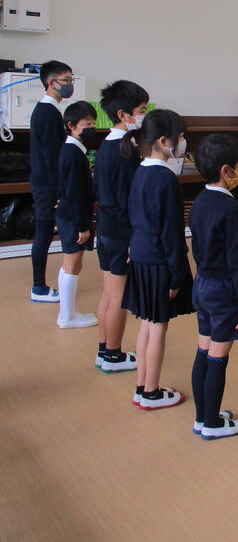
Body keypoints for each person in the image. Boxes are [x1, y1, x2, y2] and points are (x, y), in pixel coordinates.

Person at [122, 109, 193, 410]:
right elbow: (171, 233)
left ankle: (142, 387)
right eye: (181, 137)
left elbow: (133, 216)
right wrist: (177, 275)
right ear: (164, 141)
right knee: (158, 327)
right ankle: (151, 392)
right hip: (159, 262)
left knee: (147, 324)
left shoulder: (141, 171)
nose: (183, 142)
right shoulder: (166, 178)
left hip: (140, 256)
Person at [189, 134, 238, 440]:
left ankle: (202, 417)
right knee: (218, 355)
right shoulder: (231, 209)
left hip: (202, 284)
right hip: (224, 290)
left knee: (204, 349)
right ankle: (212, 424)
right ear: (226, 171)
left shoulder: (199, 201)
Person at [94, 80, 149, 373]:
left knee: (109, 293)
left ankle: (104, 350)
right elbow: (129, 199)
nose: (143, 116)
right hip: (120, 231)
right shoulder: (124, 152)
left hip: (106, 227)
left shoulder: (107, 144)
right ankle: (113, 356)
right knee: (118, 296)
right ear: (122, 114)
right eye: (141, 110)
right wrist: (133, 238)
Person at [29, 60, 73, 303]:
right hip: (47, 184)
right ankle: (38, 287)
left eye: (71, 80)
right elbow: (51, 157)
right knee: (43, 234)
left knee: (45, 234)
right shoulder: (47, 112)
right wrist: (59, 190)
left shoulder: (50, 109)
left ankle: (41, 286)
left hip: (45, 182)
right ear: (51, 83)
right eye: (66, 80)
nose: (69, 84)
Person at [55, 101, 98, 329]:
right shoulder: (72, 153)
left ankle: (66, 312)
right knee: (73, 263)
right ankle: (67, 316)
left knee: (69, 263)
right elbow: (74, 193)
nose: (91, 128)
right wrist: (82, 226)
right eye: (87, 124)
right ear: (71, 126)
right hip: (73, 218)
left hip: (68, 214)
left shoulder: (73, 149)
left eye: (93, 123)